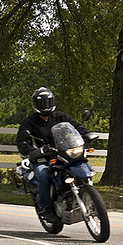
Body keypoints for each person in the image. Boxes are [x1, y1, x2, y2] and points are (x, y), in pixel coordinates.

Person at [17, 87, 89, 223]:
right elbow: (21, 142)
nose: (45, 105)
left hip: (63, 155)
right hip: (42, 159)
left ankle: (89, 196)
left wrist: (86, 134)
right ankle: (47, 208)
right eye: (41, 102)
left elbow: (76, 126)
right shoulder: (29, 122)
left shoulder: (61, 117)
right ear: (35, 104)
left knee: (85, 167)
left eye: (47, 101)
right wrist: (32, 151)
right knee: (44, 176)